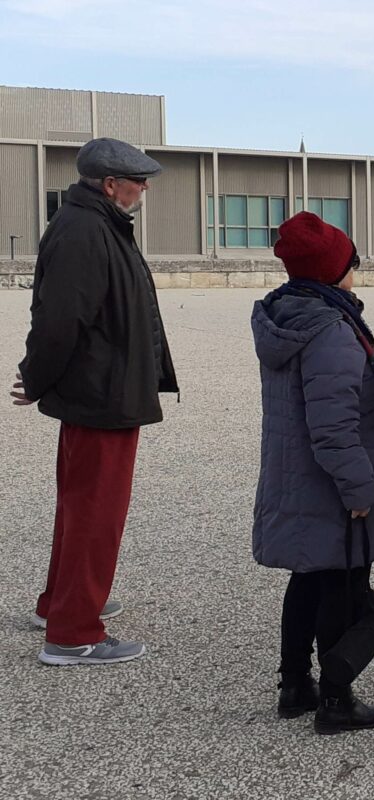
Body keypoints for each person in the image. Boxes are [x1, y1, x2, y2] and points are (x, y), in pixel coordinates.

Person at [250, 211, 374, 735]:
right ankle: (337, 699)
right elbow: (332, 425)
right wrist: (359, 489)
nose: (355, 272)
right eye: (350, 263)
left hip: (297, 475)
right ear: (331, 270)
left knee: (308, 577)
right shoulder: (330, 330)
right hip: (330, 482)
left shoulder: (292, 315)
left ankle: (295, 685)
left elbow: (325, 399)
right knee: (344, 584)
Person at [12, 137, 177, 666]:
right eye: (138, 180)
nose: (144, 187)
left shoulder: (94, 223)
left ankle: (60, 604)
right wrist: (35, 377)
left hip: (103, 390)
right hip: (101, 393)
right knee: (94, 512)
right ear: (110, 185)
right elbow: (58, 319)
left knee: (80, 506)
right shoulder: (86, 230)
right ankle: (73, 631)